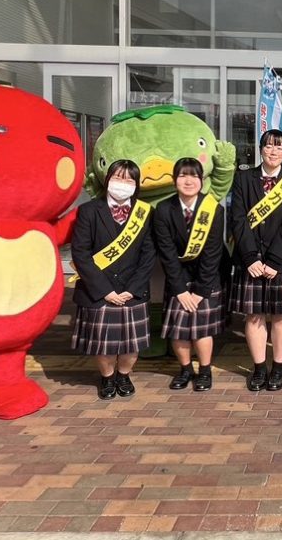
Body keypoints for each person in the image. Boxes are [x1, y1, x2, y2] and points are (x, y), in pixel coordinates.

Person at [70, 159, 156, 400]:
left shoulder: (145, 212)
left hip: (132, 290)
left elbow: (149, 254)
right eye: (118, 177)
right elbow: (80, 253)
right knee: (103, 343)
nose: (122, 183)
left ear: (136, 185)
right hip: (98, 290)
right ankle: (107, 377)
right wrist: (105, 291)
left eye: (129, 179)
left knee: (131, 344)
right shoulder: (89, 210)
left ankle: (124, 375)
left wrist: (133, 288)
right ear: (107, 180)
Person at [229, 129, 282, 391]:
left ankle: (278, 368)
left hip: (280, 262)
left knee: (281, 316)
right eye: (269, 146)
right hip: (249, 260)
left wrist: (273, 260)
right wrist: (250, 256)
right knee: (254, 316)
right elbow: (238, 218)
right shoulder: (243, 178)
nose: (274, 151)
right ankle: (259, 368)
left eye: (280, 147)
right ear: (260, 149)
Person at [153, 158, 226, 392]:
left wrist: (200, 291)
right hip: (177, 277)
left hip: (206, 277)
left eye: (194, 176)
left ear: (201, 180)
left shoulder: (213, 208)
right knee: (179, 329)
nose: (188, 181)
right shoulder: (163, 209)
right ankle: (185, 370)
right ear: (174, 180)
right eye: (183, 175)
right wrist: (180, 290)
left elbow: (213, 253)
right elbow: (166, 253)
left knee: (202, 329)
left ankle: (204, 371)